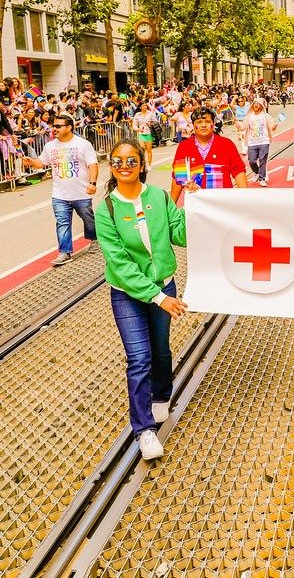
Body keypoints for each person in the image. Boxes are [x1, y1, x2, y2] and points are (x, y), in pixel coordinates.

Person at [95, 138, 192, 460]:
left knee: (161, 352)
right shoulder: (106, 208)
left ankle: (162, 395)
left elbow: (180, 235)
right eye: (118, 161)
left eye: (131, 161)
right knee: (139, 359)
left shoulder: (159, 197)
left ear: (141, 165)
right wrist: (157, 297)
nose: (124, 166)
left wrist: (194, 204)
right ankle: (144, 430)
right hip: (128, 294)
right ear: (112, 166)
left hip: (164, 284)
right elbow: (118, 262)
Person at [21, 114, 98, 265]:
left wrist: (93, 183)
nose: (54, 129)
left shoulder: (83, 144)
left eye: (58, 126)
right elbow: (41, 163)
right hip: (59, 194)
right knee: (62, 222)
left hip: (81, 192)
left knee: (88, 219)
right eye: (53, 126)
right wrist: (30, 162)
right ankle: (65, 252)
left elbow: (92, 164)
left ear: (69, 127)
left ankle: (95, 239)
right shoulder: (50, 146)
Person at [170, 106, 247, 203]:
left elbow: (239, 171)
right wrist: (171, 206)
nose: (203, 125)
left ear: (213, 124)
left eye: (207, 122)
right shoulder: (184, 147)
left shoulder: (227, 144)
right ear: (193, 125)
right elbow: (178, 177)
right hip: (196, 205)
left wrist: (245, 199)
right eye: (199, 122)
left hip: (223, 203)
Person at [240, 98, 275, 186]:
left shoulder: (266, 116)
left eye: (258, 103)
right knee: (251, 161)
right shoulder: (249, 116)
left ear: (261, 106)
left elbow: (272, 127)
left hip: (264, 141)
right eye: (254, 103)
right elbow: (243, 127)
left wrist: (274, 126)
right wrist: (237, 123)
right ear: (252, 105)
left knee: (262, 161)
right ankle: (257, 172)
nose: (256, 105)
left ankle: (262, 179)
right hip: (252, 142)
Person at [133, 100, 156, 167]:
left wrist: (150, 124)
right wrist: (138, 129)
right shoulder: (137, 115)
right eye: (143, 105)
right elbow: (134, 124)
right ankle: (143, 163)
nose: (145, 107)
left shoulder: (150, 113)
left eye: (146, 105)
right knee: (142, 148)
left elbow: (155, 121)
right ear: (140, 107)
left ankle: (149, 164)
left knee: (149, 149)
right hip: (141, 133)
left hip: (148, 133)